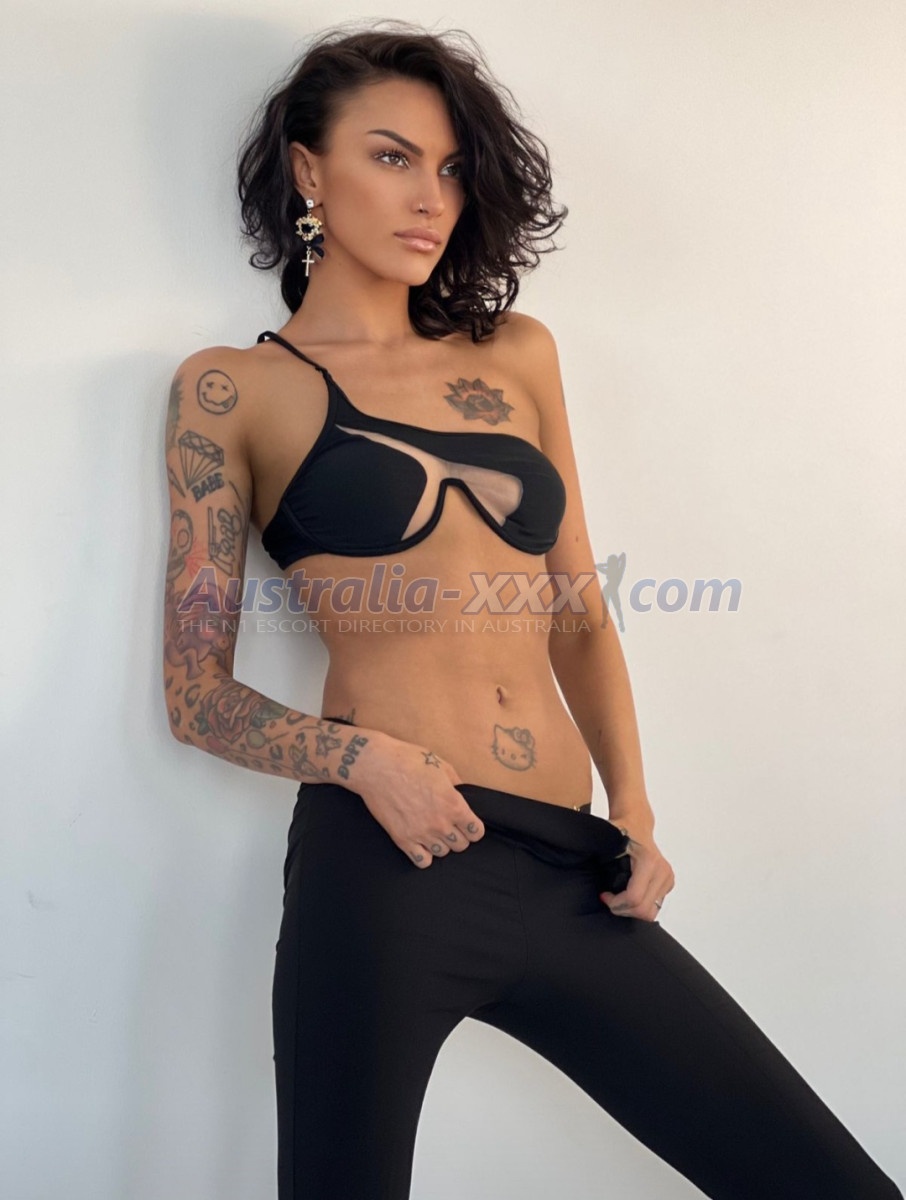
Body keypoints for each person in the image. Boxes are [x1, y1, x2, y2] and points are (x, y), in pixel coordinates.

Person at [161, 20, 903, 1200]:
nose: (432, 198)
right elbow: (194, 693)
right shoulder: (230, 390)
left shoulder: (516, 355)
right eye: (393, 157)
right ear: (310, 170)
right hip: (390, 859)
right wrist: (361, 761)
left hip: (570, 865)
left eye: (453, 169)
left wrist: (636, 809)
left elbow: (579, 611)